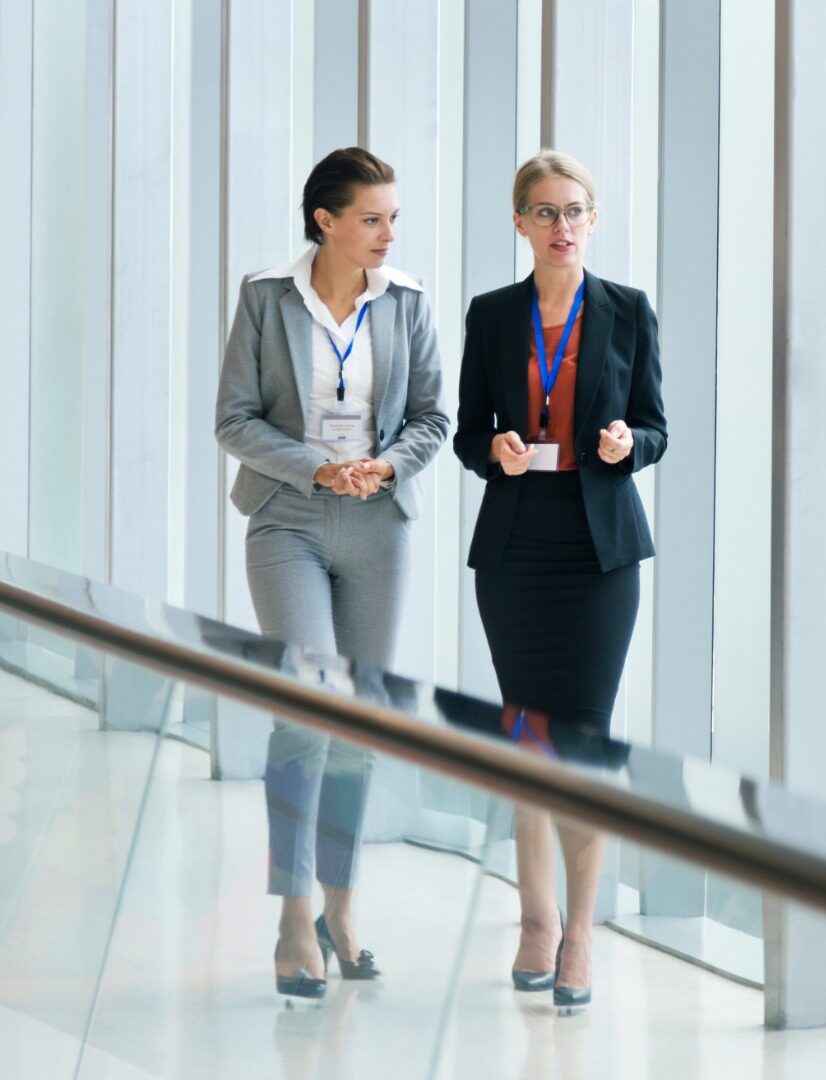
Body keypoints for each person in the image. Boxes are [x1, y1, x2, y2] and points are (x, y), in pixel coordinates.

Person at [216, 147, 449, 998]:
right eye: (372, 218)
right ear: (327, 220)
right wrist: (316, 469)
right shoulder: (265, 296)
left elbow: (431, 416)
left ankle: (341, 910)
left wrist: (385, 468)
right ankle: (291, 911)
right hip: (288, 522)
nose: (388, 233)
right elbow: (233, 419)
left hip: (379, 525)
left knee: (359, 723)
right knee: (306, 711)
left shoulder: (410, 304)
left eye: (392, 218)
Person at [453, 150, 667, 1008]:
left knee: (581, 743)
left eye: (575, 210)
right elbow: (471, 431)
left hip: (598, 552)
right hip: (516, 552)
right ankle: (535, 919)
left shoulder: (627, 310)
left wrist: (628, 445)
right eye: (545, 212)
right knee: (525, 741)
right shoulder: (494, 315)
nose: (562, 226)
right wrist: (495, 449)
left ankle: (581, 931)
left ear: (594, 218)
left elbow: (655, 425)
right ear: (520, 222)